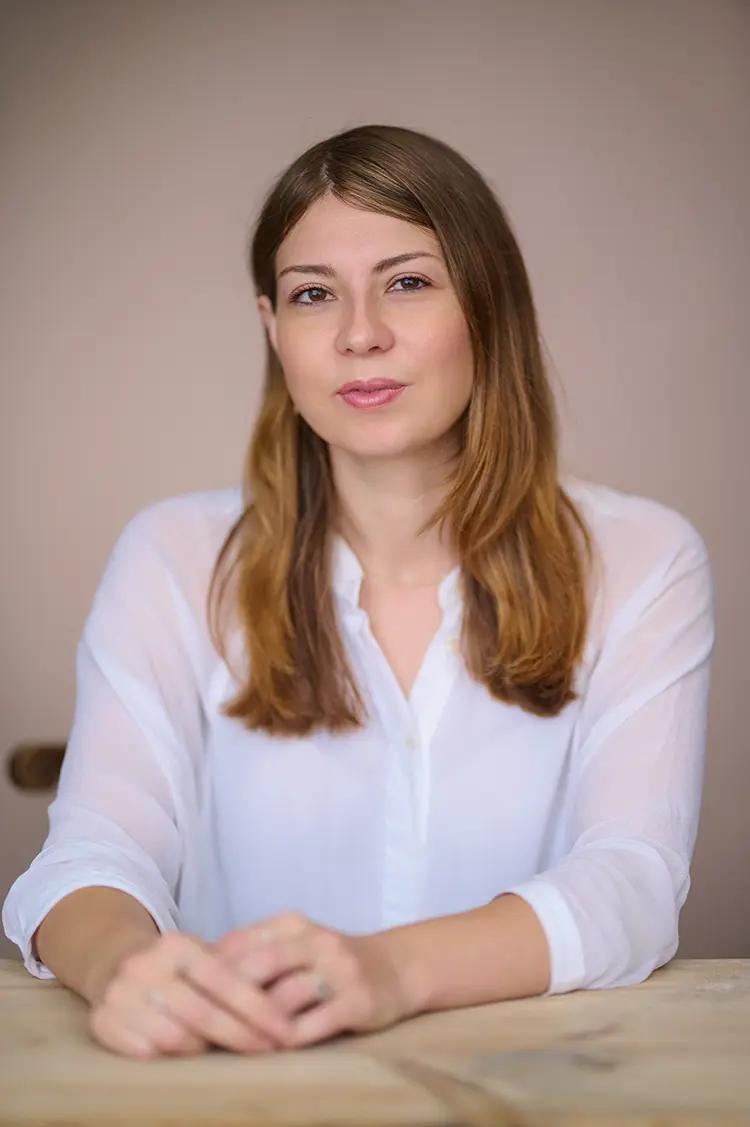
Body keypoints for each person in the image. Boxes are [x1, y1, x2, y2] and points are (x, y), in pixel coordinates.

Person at [2, 124, 714, 1061]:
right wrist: (128, 967)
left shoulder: (642, 557)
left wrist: (386, 970)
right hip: (235, 1091)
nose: (359, 333)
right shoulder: (172, 555)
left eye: (408, 281)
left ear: (489, 305)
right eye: (312, 295)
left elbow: (631, 881)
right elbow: (89, 855)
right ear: (273, 329)